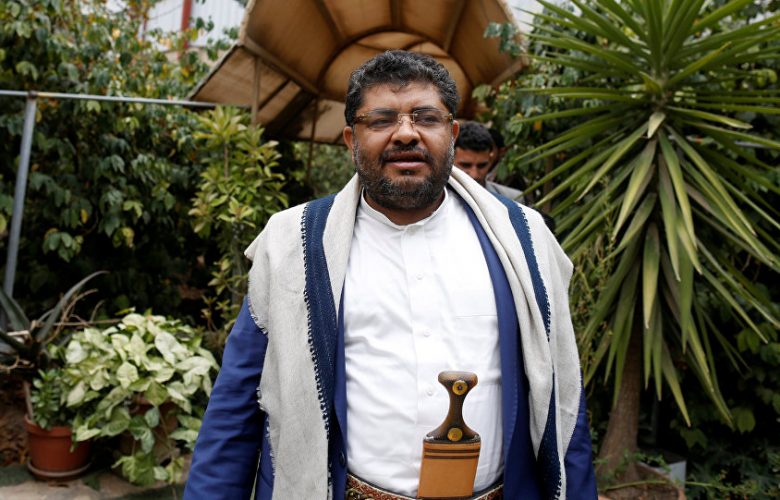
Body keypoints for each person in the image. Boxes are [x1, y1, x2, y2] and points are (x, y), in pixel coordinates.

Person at [184, 50, 596, 500]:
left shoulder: (523, 240)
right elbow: (237, 406)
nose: (405, 134)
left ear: (452, 134)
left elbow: (563, 401)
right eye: (381, 120)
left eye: (426, 118)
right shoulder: (295, 246)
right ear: (351, 139)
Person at [454, 121, 524, 203]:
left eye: (482, 165)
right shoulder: (440, 200)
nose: (474, 174)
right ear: (450, 161)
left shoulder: (513, 199)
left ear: (490, 160)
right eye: (466, 165)